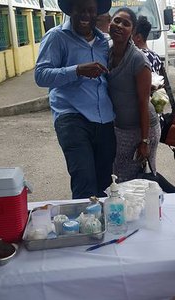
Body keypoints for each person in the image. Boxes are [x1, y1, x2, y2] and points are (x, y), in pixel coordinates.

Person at [35, 0, 116, 199]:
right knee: (84, 181)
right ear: (72, 10)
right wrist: (77, 70)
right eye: (81, 9)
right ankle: (87, 227)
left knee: (106, 184)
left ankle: (105, 227)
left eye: (91, 10)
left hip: (104, 118)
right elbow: (41, 75)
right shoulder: (56, 37)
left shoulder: (103, 42)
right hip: (72, 117)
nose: (86, 15)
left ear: (97, 13)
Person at [107, 7, 161, 183]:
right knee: (120, 176)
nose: (120, 26)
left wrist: (144, 141)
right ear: (109, 22)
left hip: (143, 128)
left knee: (135, 179)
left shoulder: (138, 60)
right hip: (120, 128)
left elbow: (143, 102)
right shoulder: (105, 52)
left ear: (132, 31)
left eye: (126, 23)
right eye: (116, 20)